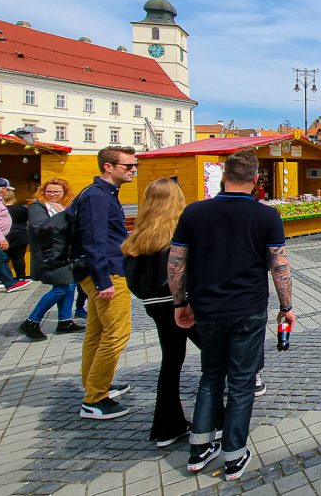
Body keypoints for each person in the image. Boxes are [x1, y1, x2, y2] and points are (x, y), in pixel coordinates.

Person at [170, 149, 293, 480]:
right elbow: (279, 265)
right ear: (256, 181)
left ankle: (198, 448)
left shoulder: (194, 212)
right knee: (240, 382)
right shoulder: (266, 216)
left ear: (224, 177)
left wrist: (180, 303)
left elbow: (176, 262)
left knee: (210, 376)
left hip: (206, 307)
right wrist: (286, 307)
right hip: (248, 308)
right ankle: (234, 455)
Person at [123, 178, 202, 447]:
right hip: (185, 304)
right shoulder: (181, 231)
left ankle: (168, 425)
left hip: (156, 306)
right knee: (218, 358)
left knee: (171, 361)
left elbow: (132, 277)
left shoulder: (140, 233)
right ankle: (213, 422)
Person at [73, 146, 137, 419]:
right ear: (108, 167)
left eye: (134, 165)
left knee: (97, 332)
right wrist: (102, 281)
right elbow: (94, 240)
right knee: (117, 333)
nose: (133, 170)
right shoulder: (97, 197)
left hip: (103, 270)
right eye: (128, 166)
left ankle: (95, 383)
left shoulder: (102, 194)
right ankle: (95, 398)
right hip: (107, 273)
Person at [18, 179, 84, 340]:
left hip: (65, 254)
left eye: (56, 192)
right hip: (50, 255)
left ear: (64, 193)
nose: (52, 195)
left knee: (70, 285)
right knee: (62, 287)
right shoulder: (38, 207)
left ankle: (64, 321)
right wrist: (64, 215)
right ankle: (31, 321)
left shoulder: (64, 207)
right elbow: (40, 227)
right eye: (49, 191)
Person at [3, 190, 30, 283]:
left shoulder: (0, 210)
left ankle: (0, 280)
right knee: (19, 258)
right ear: (13, 198)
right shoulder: (22, 208)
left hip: (4, 236)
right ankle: (21, 278)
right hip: (20, 235)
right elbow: (29, 220)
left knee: (3, 259)